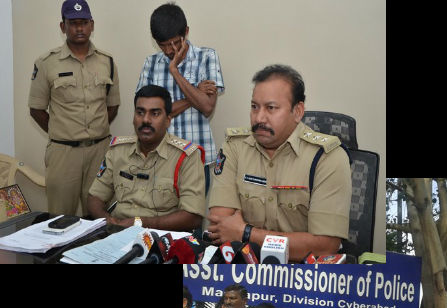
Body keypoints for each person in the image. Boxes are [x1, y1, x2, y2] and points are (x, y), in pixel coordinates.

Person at [207, 64, 352, 262]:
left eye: (271, 108)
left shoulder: (328, 157)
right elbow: (221, 227)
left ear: (298, 111)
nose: (259, 118)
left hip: (303, 272)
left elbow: (325, 246)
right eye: (254, 107)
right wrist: (294, 242)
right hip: (245, 266)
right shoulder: (235, 147)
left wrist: (246, 233)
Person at [28, 0, 120, 216]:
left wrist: (94, 131)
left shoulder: (107, 62)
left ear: (92, 25)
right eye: (73, 23)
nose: (80, 28)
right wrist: (63, 132)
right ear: (63, 27)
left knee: (98, 218)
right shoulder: (46, 63)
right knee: (60, 218)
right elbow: (36, 109)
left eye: (84, 22)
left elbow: (112, 106)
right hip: (63, 154)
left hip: (99, 152)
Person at [87, 84, 205, 231]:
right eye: (140, 112)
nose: (146, 120)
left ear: (168, 120)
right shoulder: (118, 150)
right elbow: (95, 197)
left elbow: (193, 217)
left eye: (155, 113)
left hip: (161, 236)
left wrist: (142, 223)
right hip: (116, 231)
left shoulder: (186, 157)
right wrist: (108, 222)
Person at [136, 2, 224, 195]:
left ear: (186, 32)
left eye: (175, 42)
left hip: (196, 158)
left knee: (193, 214)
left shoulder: (207, 57)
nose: (170, 50)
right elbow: (147, 114)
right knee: (158, 212)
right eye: (163, 45)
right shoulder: (150, 64)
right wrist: (195, 93)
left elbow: (207, 106)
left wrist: (174, 71)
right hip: (159, 159)